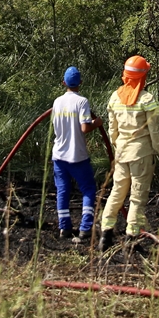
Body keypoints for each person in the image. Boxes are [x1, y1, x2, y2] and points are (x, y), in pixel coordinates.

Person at [100, 54, 159, 249]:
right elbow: (155, 133)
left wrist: (118, 147)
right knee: (137, 197)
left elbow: (112, 131)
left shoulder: (115, 97)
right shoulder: (147, 99)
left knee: (117, 193)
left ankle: (105, 235)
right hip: (141, 155)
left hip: (122, 154)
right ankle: (132, 238)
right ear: (143, 76)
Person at [51, 66, 104, 241]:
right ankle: (85, 228)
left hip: (59, 155)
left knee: (62, 191)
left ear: (63, 83)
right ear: (80, 82)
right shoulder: (82, 102)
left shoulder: (57, 102)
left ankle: (64, 228)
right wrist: (97, 123)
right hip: (77, 155)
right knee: (88, 189)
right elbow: (84, 127)